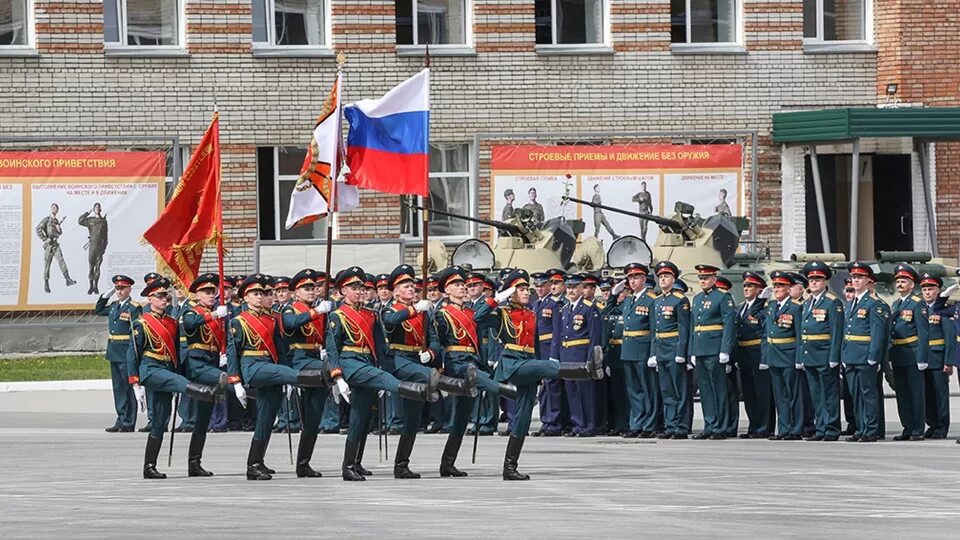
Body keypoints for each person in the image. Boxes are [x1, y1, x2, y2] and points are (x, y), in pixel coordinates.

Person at [326, 266, 440, 481]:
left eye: (361, 287)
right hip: (351, 362)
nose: (359, 291)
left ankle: (351, 465)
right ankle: (420, 388)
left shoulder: (370, 314)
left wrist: (381, 365)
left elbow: (380, 345)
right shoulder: (337, 316)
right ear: (342, 291)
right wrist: (337, 377)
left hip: (369, 362)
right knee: (386, 381)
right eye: (353, 287)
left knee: (361, 417)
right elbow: (332, 348)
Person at [492, 269, 604, 480]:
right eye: (521, 289)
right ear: (511, 293)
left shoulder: (531, 313)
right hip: (512, 364)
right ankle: (585, 370)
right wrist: (498, 298)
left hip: (528, 363)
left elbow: (533, 343)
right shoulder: (502, 313)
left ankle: (509, 467)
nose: (527, 293)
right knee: (546, 366)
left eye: (527, 289)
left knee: (523, 419)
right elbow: (479, 315)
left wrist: (537, 368)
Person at [226, 274, 329, 481]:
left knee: (265, 419)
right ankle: (311, 378)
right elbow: (232, 352)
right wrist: (235, 381)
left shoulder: (272, 318)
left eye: (264, 293)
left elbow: (281, 350)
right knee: (305, 377)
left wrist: (285, 372)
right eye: (256, 293)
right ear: (245, 297)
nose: (261, 297)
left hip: (273, 369)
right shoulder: (239, 320)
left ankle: (254, 463)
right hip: (254, 367)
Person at [380, 264, 477, 478]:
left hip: (418, 361)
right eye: (405, 286)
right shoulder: (390, 309)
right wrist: (415, 309)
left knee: (413, 420)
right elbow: (389, 322)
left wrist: (431, 354)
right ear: (395, 291)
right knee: (430, 376)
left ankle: (401, 466)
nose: (411, 289)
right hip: (400, 361)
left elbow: (433, 340)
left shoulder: (424, 312)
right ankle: (460, 385)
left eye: (412, 285)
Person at [127, 277, 227, 479]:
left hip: (167, 368)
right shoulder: (142, 323)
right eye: (159, 296)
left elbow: (176, 350)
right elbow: (133, 353)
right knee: (180, 384)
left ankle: (154, 466)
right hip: (151, 368)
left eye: (166, 296)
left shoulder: (171, 322)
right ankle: (209, 390)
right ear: (150, 298)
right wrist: (135, 382)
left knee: (161, 420)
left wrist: (180, 370)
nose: (164, 299)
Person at [434, 266, 517, 477]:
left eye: (463, 284)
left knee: (462, 419)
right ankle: (510, 391)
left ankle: (447, 463)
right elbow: (436, 342)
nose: (462, 287)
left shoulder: (471, 312)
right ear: (446, 291)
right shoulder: (442, 313)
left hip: (473, 360)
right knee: (480, 378)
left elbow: (483, 324)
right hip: (457, 363)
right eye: (456, 284)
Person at [279, 269, 335, 477]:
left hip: (317, 361)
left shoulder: (321, 310)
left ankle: (304, 463)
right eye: (306, 288)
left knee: (313, 417)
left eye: (313, 288)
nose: (311, 291)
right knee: (308, 414)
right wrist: (316, 312)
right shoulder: (291, 309)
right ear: (295, 292)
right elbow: (290, 325)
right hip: (300, 360)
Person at [180, 273, 232, 475]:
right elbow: (191, 324)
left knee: (202, 419)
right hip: (197, 364)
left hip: (212, 362)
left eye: (213, 292)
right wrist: (214, 315)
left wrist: (223, 353)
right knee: (226, 382)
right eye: (206, 292)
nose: (211, 295)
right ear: (197, 294)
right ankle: (243, 389)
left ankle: (194, 463)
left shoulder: (218, 313)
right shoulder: (191, 311)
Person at [841, 262, 889, 443]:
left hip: (865, 355)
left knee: (868, 393)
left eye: (860, 277)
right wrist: (844, 355)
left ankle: (871, 429)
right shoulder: (851, 303)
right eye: (854, 277)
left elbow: (878, 333)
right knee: (855, 394)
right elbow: (846, 331)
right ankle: (861, 428)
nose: (856, 281)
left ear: (868, 281)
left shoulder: (873, 304)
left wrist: (874, 356)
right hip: (851, 355)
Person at [688, 264, 736, 440]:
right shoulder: (698, 298)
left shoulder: (723, 297)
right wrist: (693, 350)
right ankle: (710, 424)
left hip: (715, 349)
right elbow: (695, 326)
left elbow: (728, 325)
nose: (703, 281)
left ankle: (721, 426)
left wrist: (725, 350)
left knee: (718, 388)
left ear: (714, 279)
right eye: (701, 278)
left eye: (706, 278)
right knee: (705, 389)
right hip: (700, 349)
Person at [798, 262, 844, 442]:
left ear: (825, 281)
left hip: (825, 355)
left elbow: (836, 331)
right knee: (816, 395)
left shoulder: (832, 302)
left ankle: (832, 428)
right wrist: (802, 355)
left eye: (818, 279)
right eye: (811, 280)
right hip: (810, 355)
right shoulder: (808, 303)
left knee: (830, 395)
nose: (814, 283)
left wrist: (834, 356)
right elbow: (803, 332)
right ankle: (821, 427)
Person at [552, 273, 601, 437]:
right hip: (567, 356)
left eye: (575, 287)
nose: (571, 290)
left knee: (585, 392)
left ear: (581, 289)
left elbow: (594, 336)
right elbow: (559, 336)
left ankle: (589, 425)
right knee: (572, 392)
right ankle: (577, 424)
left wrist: (591, 360)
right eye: (569, 287)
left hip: (581, 355)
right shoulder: (565, 309)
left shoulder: (589, 307)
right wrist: (556, 357)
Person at [615, 262, 661, 438]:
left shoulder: (651, 300)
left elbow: (654, 329)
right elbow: (610, 308)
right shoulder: (628, 300)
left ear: (643, 279)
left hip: (643, 349)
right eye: (630, 278)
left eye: (636, 278)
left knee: (647, 389)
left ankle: (649, 425)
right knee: (633, 390)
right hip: (628, 350)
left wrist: (653, 353)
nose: (632, 281)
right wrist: (614, 293)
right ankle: (636, 423)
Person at [650, 261, 691, 439]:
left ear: (673, 279)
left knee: (679, 390)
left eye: (666, 276)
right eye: (660, 277)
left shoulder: (680, 300)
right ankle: (671, 424)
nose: (663, 279)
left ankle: (681, 426)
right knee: (666, 391)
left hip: (674, 348)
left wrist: (682, 352)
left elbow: (684, 328)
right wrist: (653, 353)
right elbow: (654, 330)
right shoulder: (657, 301)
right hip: (661, 349)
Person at [888, 264, 929, 441]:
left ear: (912, 285)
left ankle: (918, 428)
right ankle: (907, 427)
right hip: (898, 353)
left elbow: (923, 332)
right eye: (898, 281)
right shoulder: (896, 303)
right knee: (902, 394)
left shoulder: (917, 304)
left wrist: (922, 357)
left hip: (912, 353)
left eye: (904, 281)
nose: (900, 284)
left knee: (915, 393)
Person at [761, 271, 804, 441]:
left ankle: (796, 428)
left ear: (789, 288)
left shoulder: (795, 307)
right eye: (775, 286)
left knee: (793, 394)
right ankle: (784, 428)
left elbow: (801, 334)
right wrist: (761, 299)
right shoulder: (771, 306)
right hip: (774, 355)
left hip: (789, 355)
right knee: (780, 396)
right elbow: (765, 331)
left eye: (781, 286)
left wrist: (800, 358)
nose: (777, 289)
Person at [95, 274, 141, 432]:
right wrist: (106, 295)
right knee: (118, 388)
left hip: (126, 352)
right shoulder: (114, 306)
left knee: (128, 388)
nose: (119, 291)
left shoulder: (134, 307)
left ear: (129, 289)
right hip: (114, 352)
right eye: (117, 288)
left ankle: (129, 422)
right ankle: (121, 419)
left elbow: (136, 331)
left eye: (122, 288)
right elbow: (99, 310)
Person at [735, 272, 774, 438]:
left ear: (759, 289)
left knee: (762, 393)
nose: (746, 288)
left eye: (750, 286)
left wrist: (765, 358)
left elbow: (765, 332)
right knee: (749, 393)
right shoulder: (740, 307)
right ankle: (753, 426)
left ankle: (765, 427)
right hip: (744, 354)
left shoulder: (763, 309)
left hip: (758, 353)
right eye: (745, 286)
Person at [917, 274, 955, 439]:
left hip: (938, 357)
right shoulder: (919, 307)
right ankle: (931, 424)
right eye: (924, 289)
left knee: (940, 394)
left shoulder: (944, 309)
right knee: (927, 394)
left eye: (931, 289)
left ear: (938, 290)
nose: (927, 292)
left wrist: (949, 360)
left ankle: (941, 426)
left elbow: (949, 336)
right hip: (923, 358)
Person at [531, 268, 567, 437]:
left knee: (552, 387)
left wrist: (554, 354)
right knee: (544, 389)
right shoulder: (536, 304)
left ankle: (554, 422)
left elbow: (557, 332)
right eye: (536, 285)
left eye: (542, 285)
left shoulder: (555, 304)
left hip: (549, 349)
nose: (539, 288)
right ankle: (546, 421)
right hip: (538, 350)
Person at [36, 202, 76, 292]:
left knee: (61, 260)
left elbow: (59, 233)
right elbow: (38, 228)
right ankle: (46, 284)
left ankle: (68, 279)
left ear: (57, 210)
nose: (54, 209)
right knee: (47, 264)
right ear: (51, 209)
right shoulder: (46, 220)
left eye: (56, 208)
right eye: (53, 207)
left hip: (55, 244)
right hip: (49, 245)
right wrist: (45, 239)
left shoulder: (56, 221)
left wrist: (59, 229)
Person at [78, 203, 108, 295]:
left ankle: (96, 286)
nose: (97, 209)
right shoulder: (90, 220)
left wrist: (104, 248)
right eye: (96, 207)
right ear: (94, 209)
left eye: (99, 207)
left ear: (101, 209)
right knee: (91, 266)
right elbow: (80, 221)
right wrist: (87, 212)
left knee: (98, 267)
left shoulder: (103, 221)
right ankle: (91, 286)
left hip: (100, 246)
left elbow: (106, 236)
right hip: (92, 246)